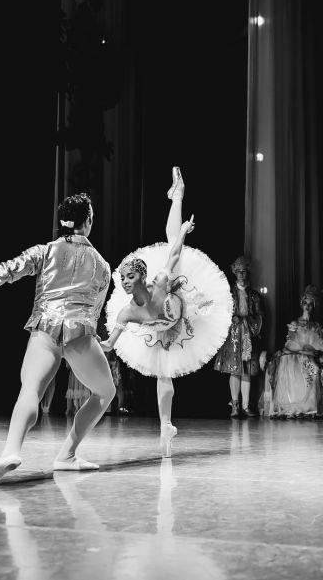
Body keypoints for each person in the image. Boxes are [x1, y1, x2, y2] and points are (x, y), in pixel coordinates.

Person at [0, 193, 115, 485]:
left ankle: (10, 451)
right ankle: (66, 455)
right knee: (104, 392)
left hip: (45, 330)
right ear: (88, 221)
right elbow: (95, 310)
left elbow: (3, 272)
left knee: (30, 391)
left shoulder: (45, 251)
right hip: (80, 334)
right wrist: (96, 340)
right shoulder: (102, 265)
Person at [101, 168, 232, 456]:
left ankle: (178, 196)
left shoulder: (160, 281)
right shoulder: (126, 313)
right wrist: (91, 341)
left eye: (129, 278)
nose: (124, 283)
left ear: (141, 278)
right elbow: (110, 344)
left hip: (178, 303)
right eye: (122, 279)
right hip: (161, 329)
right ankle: (166, 426)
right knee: (164, 371)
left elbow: (173, 252)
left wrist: (185, 231)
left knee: (175, 242)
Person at [262, 285, 323, 418]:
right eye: (305, 303)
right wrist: (304, 352)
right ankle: (293, 405)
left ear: (314, 306)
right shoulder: (295, 324)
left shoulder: (317, 327)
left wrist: (313, 352)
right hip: (295, 356)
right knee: (296, 366)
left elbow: (319, 347)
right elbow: (289, 345)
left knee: (317, 368)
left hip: (310, 357)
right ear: (301, 304)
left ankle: (310, 406)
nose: (307, 306)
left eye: (310, 304)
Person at [214, 256, 265, 418]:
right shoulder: (228, 294)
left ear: (247, 273)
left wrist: (247, 322)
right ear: (234, 273)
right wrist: (232, 318)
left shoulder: (254, 296)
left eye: (244, 272)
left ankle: (245, 406)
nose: (241, 275)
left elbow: (260, 316)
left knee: (247, 370)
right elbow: (220, 313)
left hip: (248, 335)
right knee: (234, 370)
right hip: (233, 337)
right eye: (238, 272)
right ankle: (235, 405)